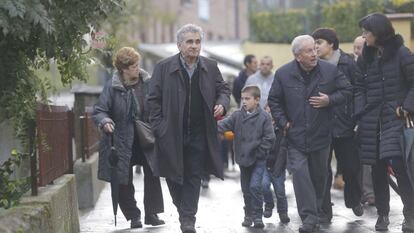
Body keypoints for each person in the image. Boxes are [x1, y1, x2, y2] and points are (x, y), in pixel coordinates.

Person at [147, 24, 230, 233]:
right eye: (190, 42)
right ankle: (185, 212)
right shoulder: (164, 67)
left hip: (200, 133)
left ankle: (188, 219)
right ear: (179, 45)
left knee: (194, 175)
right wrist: (159, 126)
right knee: (173, 175)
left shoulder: (210, 66)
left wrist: (222, 102)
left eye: (198, 41)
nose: (194, 46)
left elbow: (223, 89)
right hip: (171, 133)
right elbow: (153, 100)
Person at [268, 35, 352, 233]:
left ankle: (316, 210)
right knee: (300, 174)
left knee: (319, 177)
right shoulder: (283, 74)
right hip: (294, 136)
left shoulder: (330, 70)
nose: (314, 54)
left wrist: (329, 100)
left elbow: (348, 90)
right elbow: (274, 100)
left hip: (321, 135)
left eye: (315, 49)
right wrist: (282, 122)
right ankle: (309, 217)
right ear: (298, 56)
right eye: (309, 51)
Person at [354, 13, 414, 232]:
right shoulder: (366, 57)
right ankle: (383, 215)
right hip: (371, 122)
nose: (363, 37)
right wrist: (361, 110)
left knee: (400, 168)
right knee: (377, 170)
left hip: (395, 120)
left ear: (378, 33)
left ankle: (410, 215)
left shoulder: (402, 54)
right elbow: (358, 87)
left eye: (366, 33)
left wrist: (406, 106)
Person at [93, 47, 165, 229]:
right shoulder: (113, 86)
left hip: (146, 136)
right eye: (133, 66)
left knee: (153, 174)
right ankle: (134, 216)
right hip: (122, 139)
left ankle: (152, 213)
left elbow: (159, 104)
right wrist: (105, 121)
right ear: (123, 69)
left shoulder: (148, 82)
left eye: (137, 64)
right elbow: (100, 110)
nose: (137, 69)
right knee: (123, 179)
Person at [312, 28, 364, 223]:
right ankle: (325, 211)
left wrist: (356, 117)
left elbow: (357, 90)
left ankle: (354, 199)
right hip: (321, 126)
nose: (315, 46)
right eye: (314, 42)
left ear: (331, 44)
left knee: (351, 167)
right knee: (322, 170)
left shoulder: (347, 63)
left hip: (345, 124)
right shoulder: (313, 64)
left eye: (319, 42)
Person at [217, 85, 275, 229]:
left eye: (247, 99)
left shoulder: (264, 117)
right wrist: (208, 125)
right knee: (246, 189)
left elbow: (270, 137)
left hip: (258, 159)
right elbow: (223, 125)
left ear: (257, 100)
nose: (244, 101)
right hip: (243, 160)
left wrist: (260, 152)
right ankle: (248, 214)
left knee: (255, 186)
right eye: (242, 98)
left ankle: (257, 215)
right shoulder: (237, 115)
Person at [244, 56, 290, 223]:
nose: (264, 66)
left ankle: (283, 212)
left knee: (280, 189)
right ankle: (268, 205)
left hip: (277, 163)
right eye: (261, 64)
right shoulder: (251, 79)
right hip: (263, 162)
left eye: (267, 64)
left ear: (272, 65)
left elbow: (283, 147)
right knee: (263, 186)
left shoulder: (279, 130)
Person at [353, 35, 376, 206]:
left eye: (360, 47)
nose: (357, 50)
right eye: (355, 47)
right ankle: (365, 192)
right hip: (358, 118)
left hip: (372, 118)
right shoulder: (352, 65)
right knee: (360, 159)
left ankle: (370, 193)